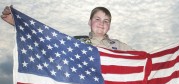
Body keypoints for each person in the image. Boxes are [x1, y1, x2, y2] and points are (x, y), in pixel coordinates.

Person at [1, 6, 134, 51]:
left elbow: (143, 59)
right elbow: (48, 42)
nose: (101, 23)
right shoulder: (77, 42)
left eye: (106, 21)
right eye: (97, 19)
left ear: (109, 25)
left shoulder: (119, 45)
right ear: (89, 22)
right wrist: (18, 22)